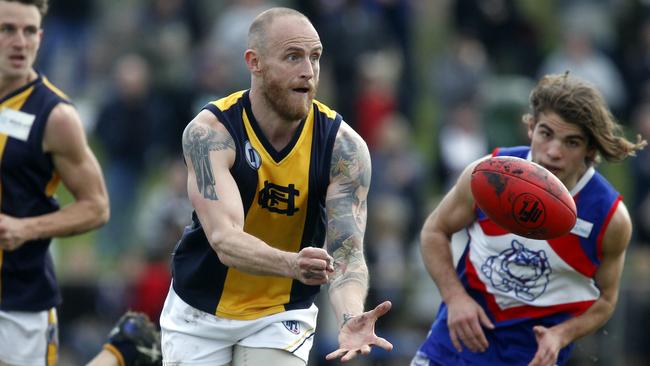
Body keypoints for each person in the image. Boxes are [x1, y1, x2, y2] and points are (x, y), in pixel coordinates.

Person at [159, 7, 392, 366]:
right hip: (199, 309)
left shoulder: (343, 147)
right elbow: (224, 240)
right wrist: (292, 264)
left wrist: (349, 315)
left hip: (280, 311)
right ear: (255, 62)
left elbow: (347, 251)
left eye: (315, 57)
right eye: (293, 57)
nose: (308, 71)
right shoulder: (211, 134)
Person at [412, 73, 647, 366]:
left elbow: (606, 301)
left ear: (590, 149)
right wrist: (454, 297)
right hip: (452, 348)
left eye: (571, 142)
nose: (553, 152)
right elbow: (434, 230)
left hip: (530, 358)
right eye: (546, 134)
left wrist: (561, 335)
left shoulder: (610, 217)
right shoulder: (489, 176)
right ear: (531, 128)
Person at [0, 0, 109, 365]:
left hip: (19, 306)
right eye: (7, 29)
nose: (20, 41)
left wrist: (25, 228)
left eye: (29, 31)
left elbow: (96, 207)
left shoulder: (55, 116)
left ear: (41, 36)